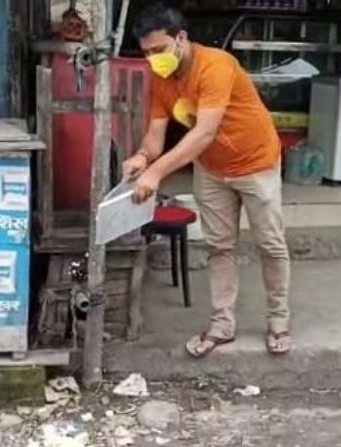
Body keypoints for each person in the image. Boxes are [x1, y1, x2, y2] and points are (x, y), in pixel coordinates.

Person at [123, 3, 291, 358]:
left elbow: (203, 132)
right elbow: (156, 135)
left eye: (159, 50)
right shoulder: (160, 77)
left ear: (181, 39)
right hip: (212, 170)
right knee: (220, 247)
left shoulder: (215, 65)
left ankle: (278, 321)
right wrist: (141, 158)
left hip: (256, 163)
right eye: (147, 53)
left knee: (271, 245)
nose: (154, 59)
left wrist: (156, 173)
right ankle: (222, 325)